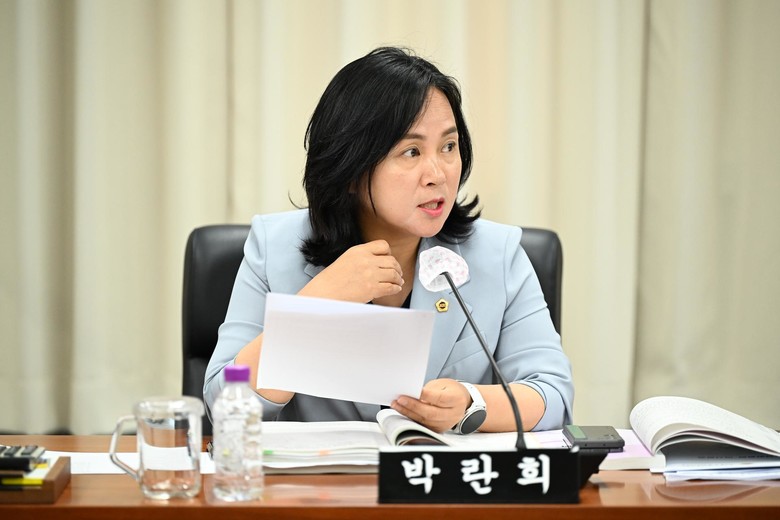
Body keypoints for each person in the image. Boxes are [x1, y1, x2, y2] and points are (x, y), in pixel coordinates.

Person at [204, 46, 573, 433]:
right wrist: (316, 304)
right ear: (351, 167)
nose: (437, 174)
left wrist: (471, 403)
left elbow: (553, 396)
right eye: (411, 151)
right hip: (328, 472)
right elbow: (223, 405)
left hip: (438, 471)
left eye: (448, 147)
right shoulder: (273, 248)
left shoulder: (497, 254)